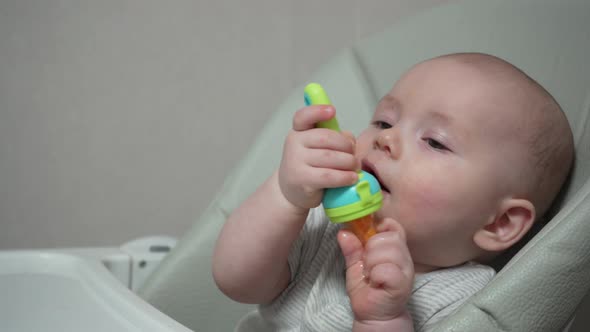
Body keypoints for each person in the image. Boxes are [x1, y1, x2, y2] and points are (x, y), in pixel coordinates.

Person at [212, 52, 574, 331]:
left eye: (434, 141)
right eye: (384, 121)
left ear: (500, 223)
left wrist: (382, 319)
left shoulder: (468, 303)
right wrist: (285, 195)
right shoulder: (322, 228)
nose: (385, 138)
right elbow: (236, 282)